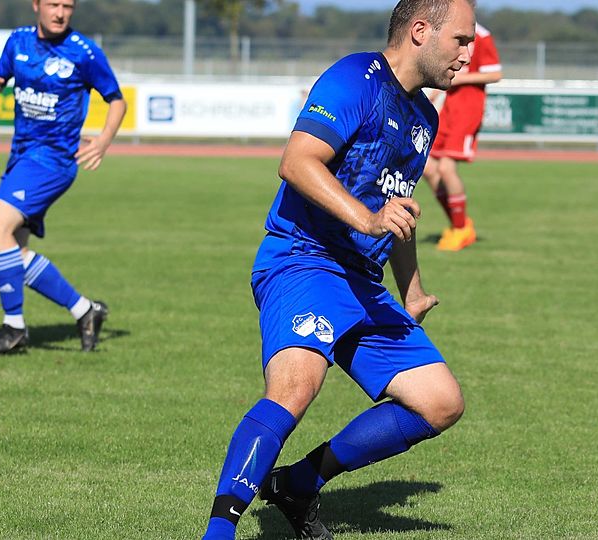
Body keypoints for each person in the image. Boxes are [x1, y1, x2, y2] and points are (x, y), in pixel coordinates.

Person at [201, 1, 475, 538]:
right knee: (294, 389)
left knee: (440, 403)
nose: (468, 54)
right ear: (421, 31)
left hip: (362, 280)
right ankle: (218, 533)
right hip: (304, 259)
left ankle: (298, 483)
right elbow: (297, 161)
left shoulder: (425, 117)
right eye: (461, 40)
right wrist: (368, 219)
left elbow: (396, 209)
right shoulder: (356, 77)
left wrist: (412, 289)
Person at [0, 0, 126, 354]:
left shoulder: (84, 52)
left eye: (67, 6)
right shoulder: (18, 41)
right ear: (36, 5)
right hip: (21, 157)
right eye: (53, 4)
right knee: (14, 249)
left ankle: (14, 328)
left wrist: (103, 140)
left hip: (53, 161)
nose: (60, 13)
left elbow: (116, 100)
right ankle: (85, 310)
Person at [422, 18, 502, 251]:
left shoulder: (482, 35)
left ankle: (461, 229)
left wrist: (460, 79)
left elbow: (495, 74)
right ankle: (460, 224)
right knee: (427, 167)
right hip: (449, 108)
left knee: (446, 168)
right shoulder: (450, 31)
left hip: (468, 108)